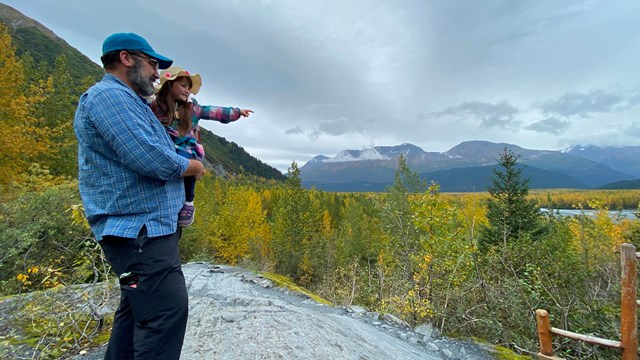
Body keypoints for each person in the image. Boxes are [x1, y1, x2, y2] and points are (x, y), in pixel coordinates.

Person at [74, 32, 205, 360]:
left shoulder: (130, 100)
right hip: (138, 233)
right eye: (152, 63)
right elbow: (149, 157)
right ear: (126, 58)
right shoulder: (109, 98)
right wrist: (192, 167)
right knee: (165, 316)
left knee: (136, 313)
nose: (157, 73)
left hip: (143, 230)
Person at [149, 66, 253, 226]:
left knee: (185, 161)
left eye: (189, 88)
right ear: (169, 85)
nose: (187, 91)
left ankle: (188, 202)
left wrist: (237, 112)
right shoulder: (156, 107)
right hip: (165, 147)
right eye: (183, 86)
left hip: (187, 149)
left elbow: (213, 111)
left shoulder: (192, 109)